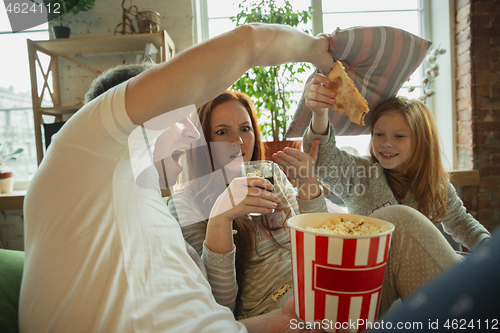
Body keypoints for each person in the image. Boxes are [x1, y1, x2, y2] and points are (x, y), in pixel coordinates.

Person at [19, 23, 335, 333]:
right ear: (142, 114)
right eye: (180, 118)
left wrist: (275, 323)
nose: (193, 134)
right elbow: (247, 42)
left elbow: (210, 312)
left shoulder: (156, 218)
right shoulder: (85, 150)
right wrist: (320, 53)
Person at [168, 91, 462, 319]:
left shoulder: (270, 175)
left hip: (325, 280)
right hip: (283, 309)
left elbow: (322, 241)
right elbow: (219, 305)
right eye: (222, 132)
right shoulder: (186, 205)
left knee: (396, 220)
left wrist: (308, 183)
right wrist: (221, 217)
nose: (238, 142)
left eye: (245, 129)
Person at [273, 72, 490, 251]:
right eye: (379, 135)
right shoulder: (363, 175)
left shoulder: (436, 186)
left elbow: (461, 223)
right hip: (373, 276)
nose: (386, 143)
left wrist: (487, 246)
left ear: (421, 141)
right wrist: (320, 114)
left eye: (399, 136)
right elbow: (322, 159)